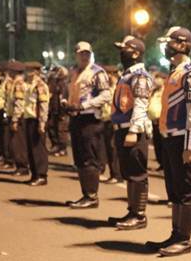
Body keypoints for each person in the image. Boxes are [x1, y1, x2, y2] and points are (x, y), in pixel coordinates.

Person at [145, 27, 191, 257]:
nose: (167, 46)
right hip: (171, 136)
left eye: (171, 42)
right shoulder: (175, 71)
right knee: (174, 189)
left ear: (182, 44)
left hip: (184, 139)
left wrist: (190, 146)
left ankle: (184, 240)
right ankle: (175, 234)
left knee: (185, 190)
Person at [108, 35, 154, 231]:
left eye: (124, 49)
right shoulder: (126, 74)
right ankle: (132, 210)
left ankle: (139, 215)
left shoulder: (140, 76)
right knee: (129, 173)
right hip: (123, 128)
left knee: (137, 174)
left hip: (132, 130)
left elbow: (141, 105)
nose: (121, 52)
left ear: (136, 53)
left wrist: (133, 131)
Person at [64, 41, 112, 209]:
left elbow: (106, 95)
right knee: (80, 159)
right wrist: (66, 102)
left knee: (89, 159)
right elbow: (69, 92)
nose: (84, 56)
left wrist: (84, 105)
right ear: (76, 54)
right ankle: (86, 194)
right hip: (76, 118)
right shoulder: (74, 72)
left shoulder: (97, 72)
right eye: (81, 53)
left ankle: (92, 196)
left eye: (87, 53)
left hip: (90, 119)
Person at [12, 61, 50, 186]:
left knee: (38, 148)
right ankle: (34, 174)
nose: (27, 72)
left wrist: (42, 123)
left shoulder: (40, 85)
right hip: (28, 118)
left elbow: (44, 105)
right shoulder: (28, 85)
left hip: (37, 119)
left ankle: (41, 175)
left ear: (36, 71)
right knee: (30, 149)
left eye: (29, 70)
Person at [100, 66, 122, 185]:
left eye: (110, 74)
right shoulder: (106, 88)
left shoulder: (118, 88)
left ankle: (117, 174)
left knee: (113, 149)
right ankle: (113, 173)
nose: (108, 77)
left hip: (114, 121)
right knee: (107, 148)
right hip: (105, 120)